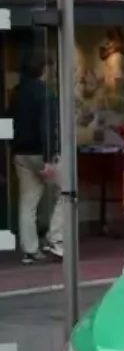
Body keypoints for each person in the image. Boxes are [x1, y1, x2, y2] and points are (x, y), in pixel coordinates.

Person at [9, 52, 62, 265]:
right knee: (66, 193)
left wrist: (11, 147)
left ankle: (30, 250)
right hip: (41, 154)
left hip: (20, 154)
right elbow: (46, 127)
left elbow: (8, 122)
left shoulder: (16, 92)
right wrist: (49, 159)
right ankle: (56, 241)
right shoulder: (46, 94)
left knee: (27, 202)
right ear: (44, 70)